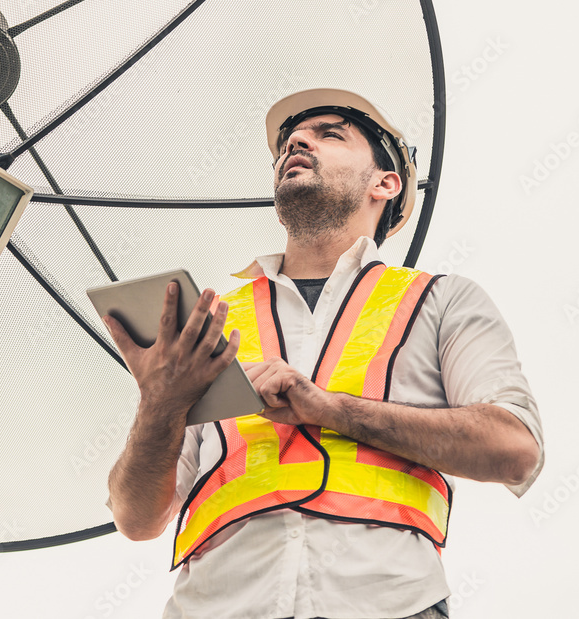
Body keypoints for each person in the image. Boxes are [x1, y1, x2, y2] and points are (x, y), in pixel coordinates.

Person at [102, 89, 544, 619]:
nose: (297, 143)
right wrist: (160, 404)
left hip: (389, 602)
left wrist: (331, 409)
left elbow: (515, 448)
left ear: (386, 183)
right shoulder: (211, 321)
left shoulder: (442, 299)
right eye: (290, 141)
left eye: (329, 134)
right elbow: (136, 518)